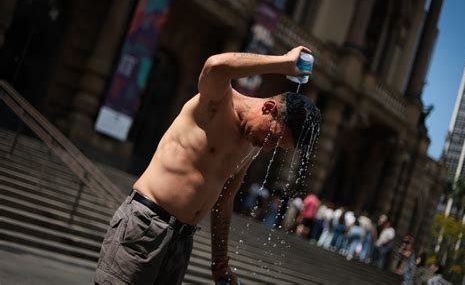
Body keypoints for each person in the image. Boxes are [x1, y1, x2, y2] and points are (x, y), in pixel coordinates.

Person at [94, 46, 321, 284]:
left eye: (276, 146)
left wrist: (220, 263)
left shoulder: (251, 146)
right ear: (268, 108)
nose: (267, 147)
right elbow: (215, 65)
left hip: (181, 242)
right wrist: (284, 63)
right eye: (272, 137)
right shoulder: (217, 102)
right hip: (145, 225)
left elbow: (224, 202)